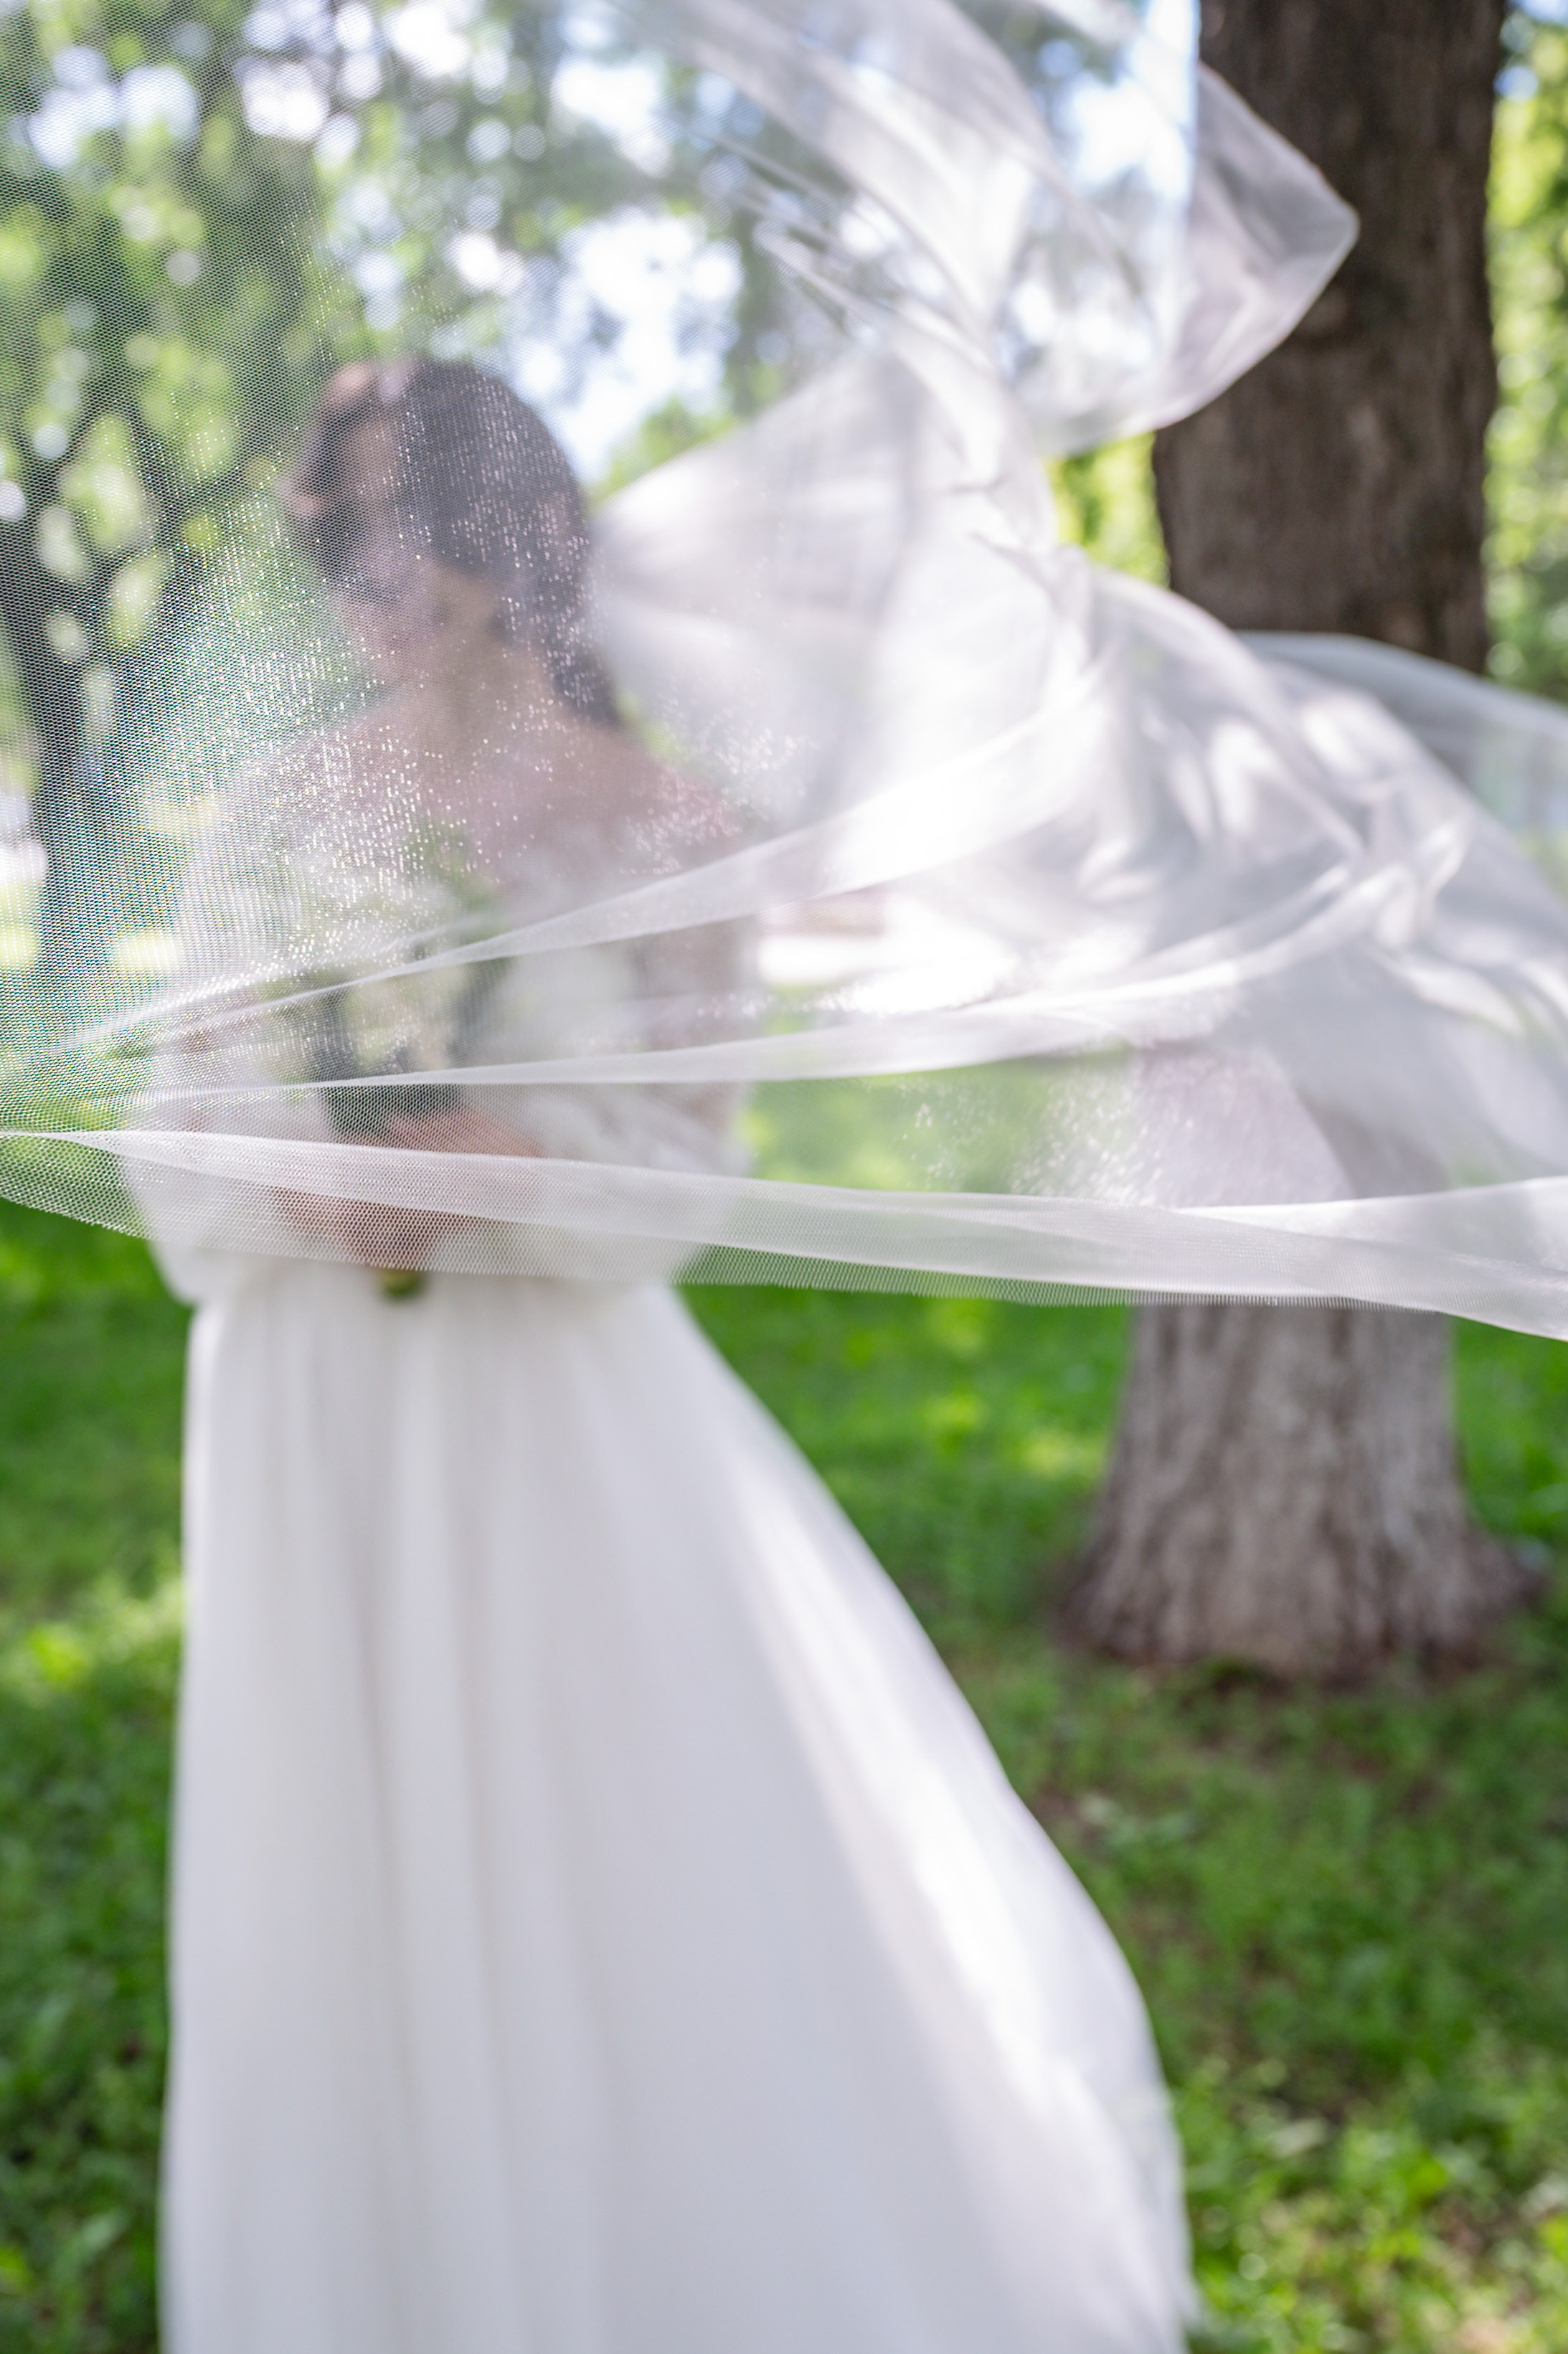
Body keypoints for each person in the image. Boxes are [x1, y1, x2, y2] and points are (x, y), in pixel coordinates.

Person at [149, 355, 1194, 2352]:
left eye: (408, 518)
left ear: (503, 539)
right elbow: (179, 1119)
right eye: (340, 523)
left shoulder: (656, 820)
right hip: (313, 1402)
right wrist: (310, 1182)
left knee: (582, 1873)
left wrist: (507, 1169)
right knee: (335, 1890)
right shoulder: (276, 815)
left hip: (543, 1416)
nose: (370, 565)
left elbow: (682, 1181)